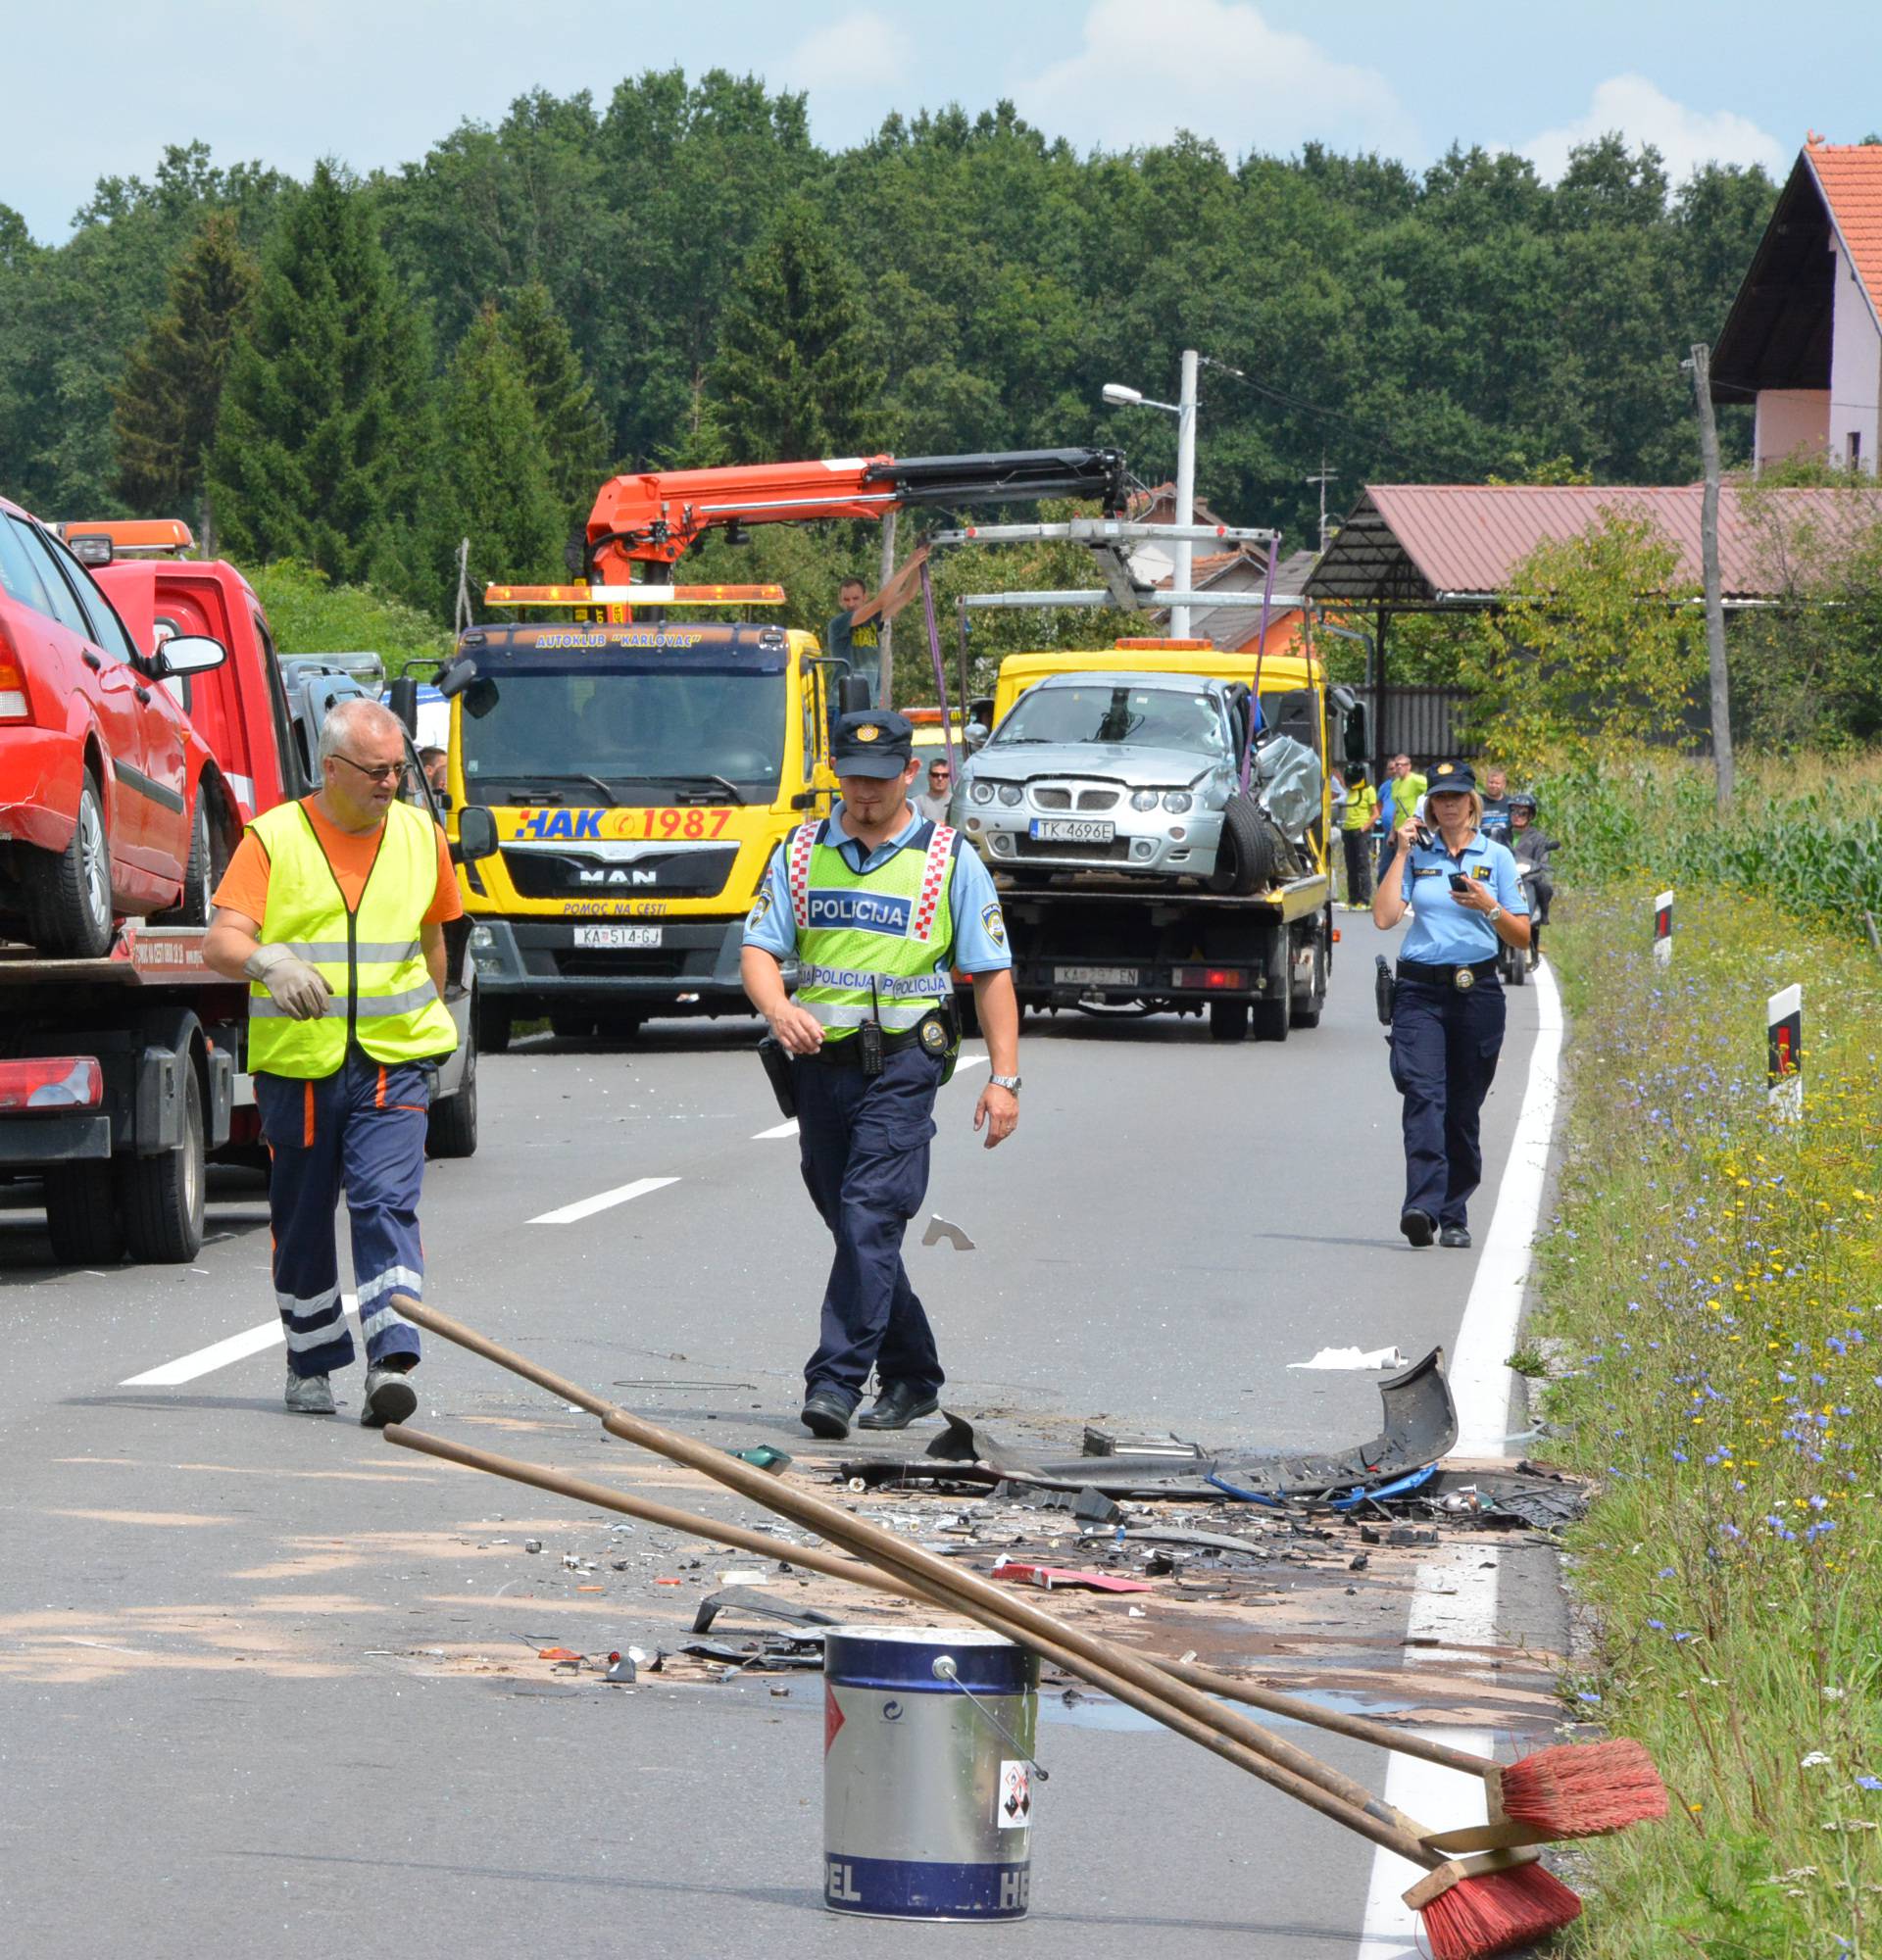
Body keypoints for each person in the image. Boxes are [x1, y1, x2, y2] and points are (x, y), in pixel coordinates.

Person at [741, 710, 1021, 1443]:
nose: (864, 793)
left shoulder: (948, 858)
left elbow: (991, 974)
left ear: (908, 773)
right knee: (854, 1226)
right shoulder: (800, 852)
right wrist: (777, 1008)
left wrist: (1005, 1079)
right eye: (852, 779)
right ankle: (913, 1375)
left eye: (878, 779)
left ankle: (833, 1382)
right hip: (818, 1069)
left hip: (904, 1063)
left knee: (870, 1214)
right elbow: (759, 950)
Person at [204, 698, 463, 1423]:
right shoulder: (274, 838)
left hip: (393, 1060)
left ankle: (391, 1359)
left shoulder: (420, 835)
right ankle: (310, 1359)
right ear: (331, 769)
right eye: (377, 772)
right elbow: (218, 942)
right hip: (302, 1066)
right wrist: (267, 962)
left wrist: (430, 1021)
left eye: (397, 771)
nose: (391, 784)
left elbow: (434, 939)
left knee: (385, 1202)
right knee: (306, 1215)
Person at [1371, 760, 1529, 1251]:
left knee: (1462, 1107)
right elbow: (1383, 917)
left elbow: (1523, 937)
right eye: (1440, 798)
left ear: (1472, 802)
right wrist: (1399, 852)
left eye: (1457, 797)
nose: (1448, 805)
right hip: (1419, 989)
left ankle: (1454, 1212)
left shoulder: (1497, 857)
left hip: (1476, 990)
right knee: (1423, 1094)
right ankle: (1420, 1206)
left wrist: (1489, 906)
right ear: (1430, 806)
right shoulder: (1418, 854)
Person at [1507, 793, 1556, 966]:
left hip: (1529, 878)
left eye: (1523, 813)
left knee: (1545, 886)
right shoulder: (1500, 835)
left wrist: (1542, 865)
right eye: (1514, 812)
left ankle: (1542, 915)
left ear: (1531, 816)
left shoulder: (1539, 838)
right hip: (1506, 878)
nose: (1517, 817)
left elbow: (1544, 857)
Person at [825, 576, 884, 705]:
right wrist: (908, 565)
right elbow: (880, 603)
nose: (851, 604)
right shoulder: (839, 623)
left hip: (869, 701)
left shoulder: (873, 621)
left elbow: (908, 595)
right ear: (840, 601)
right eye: (846, 599)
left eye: (855, 598)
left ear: (865, 597)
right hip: (843, 702)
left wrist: (916, 567)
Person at [1376, 753, 1426, 885]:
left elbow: (1432, 793)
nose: (1398, 768)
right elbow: (1397, 809)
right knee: (1388, 865)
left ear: (1409, 766)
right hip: (1398, 829)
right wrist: (1392, 833)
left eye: (1401, 765)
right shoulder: (1395, 784)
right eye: (1396, 765)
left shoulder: (1417, 780)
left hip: (1412, 829)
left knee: (1410, 864)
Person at [1338, 761, 1377, 908]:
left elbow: (1375, 814)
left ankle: (1364, 899)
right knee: (1351, 866)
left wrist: (1363, 828)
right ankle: (1352, 898)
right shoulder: (1349, 791)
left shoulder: (1368, 791)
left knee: (1362, 866)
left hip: (1361, 830)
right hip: (1347, 829)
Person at [917, 754, 955, 825]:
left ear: (949, 778)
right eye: (935, 775)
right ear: (929, 777)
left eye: (944, 775)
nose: (940, 778)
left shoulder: (957, 803)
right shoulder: (917, 803)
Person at [1478, 766, 1511, 841]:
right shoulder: (1477, 801)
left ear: (1504, 784)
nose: (1493, 786)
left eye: (1497, 783)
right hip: (1483, 844)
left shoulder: (1510, 803)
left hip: (1504, 845)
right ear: (1486, 782)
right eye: (1491, 782)